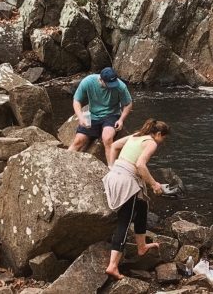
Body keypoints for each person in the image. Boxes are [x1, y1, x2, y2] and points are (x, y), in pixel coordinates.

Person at [102, 118, 169, 280]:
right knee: (124, 222)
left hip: (114, 176)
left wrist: (111, 166)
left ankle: (141, 246)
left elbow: (114, 145)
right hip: (126, 182)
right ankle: (112, 266)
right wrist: (154, 185)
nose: (162, 142)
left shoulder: (135, 136)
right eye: (164, 138)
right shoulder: (151, 142)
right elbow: (140, 165)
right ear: (158, 134)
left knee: (142, 206)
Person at [68, 67, 133, 167]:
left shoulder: (120, 86)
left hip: (112, 114)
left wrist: (121, 120)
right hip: (93, 115)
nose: (112, 86)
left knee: (107, 138)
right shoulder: (88, 82)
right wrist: (80, 117)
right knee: (78, 141)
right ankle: (64, 163)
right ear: (101, 80)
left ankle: (111, 169)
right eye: (109, 84)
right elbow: (76, 100)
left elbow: (128, 104)